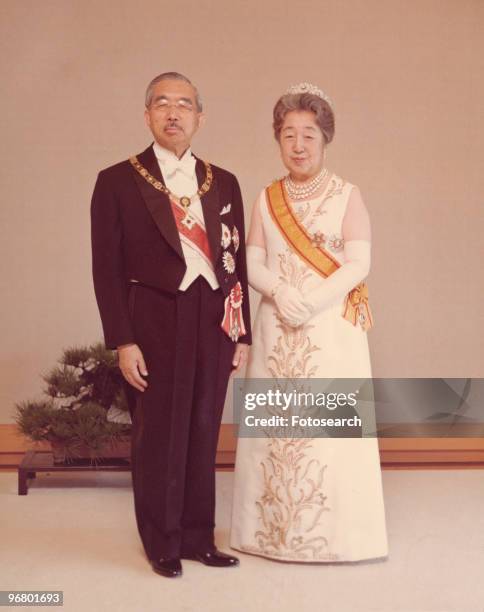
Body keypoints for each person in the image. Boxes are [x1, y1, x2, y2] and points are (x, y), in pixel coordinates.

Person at [90, 72, 251, 578]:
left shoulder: (223, 181)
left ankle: (199, 536)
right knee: (159, 431)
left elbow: (235, 261)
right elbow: (106, 268)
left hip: (212, 318)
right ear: (148, 115)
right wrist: (122, 340)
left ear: (199, 117)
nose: (174, 113)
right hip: (153, 316)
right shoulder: (117, 179)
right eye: (163, 104)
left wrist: (240, 330)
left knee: (204, 427)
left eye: (184, 105)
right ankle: (161, 542)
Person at [230, 83, 388, 562]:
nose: (298, 146)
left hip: (330, 328)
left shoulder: (347, 194)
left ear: (325, 139)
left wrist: (311, 300)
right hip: (277, 327)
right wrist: (280, 292)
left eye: (309, 136)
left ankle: (338, 540)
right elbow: (251, 262)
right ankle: (267, 535)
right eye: (288, 135)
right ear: (278, 140)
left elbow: (359, 263)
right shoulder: (265, 197)